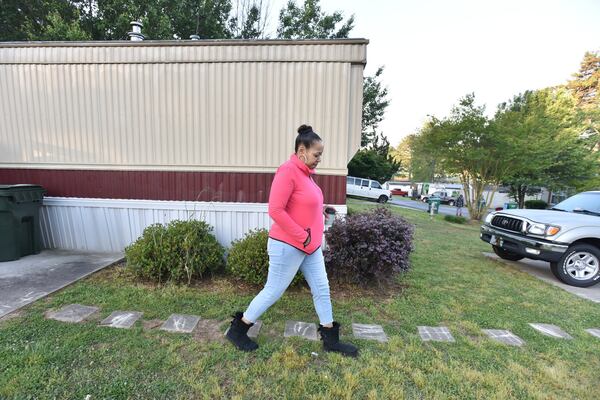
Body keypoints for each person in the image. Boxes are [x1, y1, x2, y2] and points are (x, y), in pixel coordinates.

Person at [225, 124, 358, 357]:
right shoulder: (287, 171)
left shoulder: (307, 176)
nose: (319, 159)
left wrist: (321, 211)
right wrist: (302, 236)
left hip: (310, 247)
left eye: (320, 155)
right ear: (301, 152)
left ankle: (330, 340)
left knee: (322, 289)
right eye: (317, 155)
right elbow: (276, 210)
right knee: (273, 291)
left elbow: (303, 205)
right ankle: (238, 330)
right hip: (288, 245)